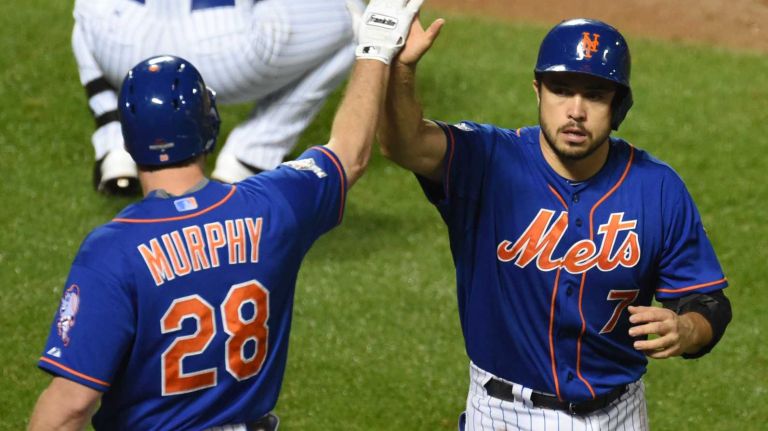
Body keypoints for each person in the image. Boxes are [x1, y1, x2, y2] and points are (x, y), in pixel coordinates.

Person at [28, 1, 425, 428]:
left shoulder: (113, 252)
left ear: (128, 141)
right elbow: (350, 153)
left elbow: (71, 403)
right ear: (208, 127)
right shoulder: (274, 206)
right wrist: (375, 51)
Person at [378, 18, 732, 430]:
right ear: (538, 91)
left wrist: (687, 329)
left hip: (619, 415)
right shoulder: (487, 160)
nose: (576, 111)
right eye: (561, 90)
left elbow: (709, 304)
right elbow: (403, 144)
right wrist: (399, 69)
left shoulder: (658, 188)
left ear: (618, 106)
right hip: (503, 414)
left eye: (595, 96)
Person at [72, 0, 365, 195]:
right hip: (225, 50)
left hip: (125, 41)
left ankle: (115, 145)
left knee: (87, 10)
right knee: (352, 16)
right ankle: (249, 155)